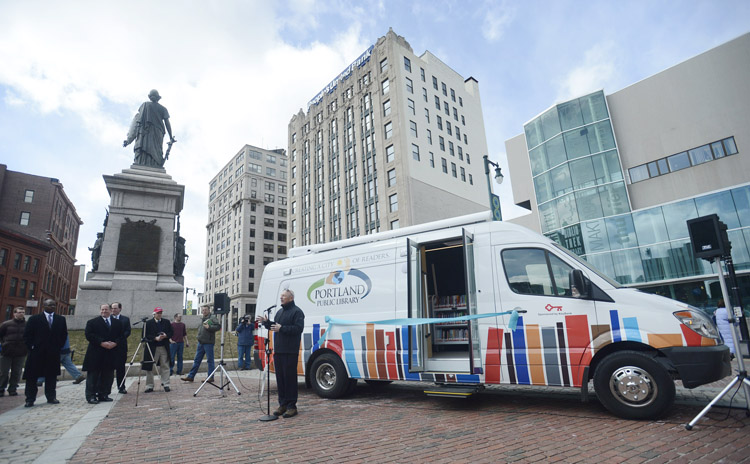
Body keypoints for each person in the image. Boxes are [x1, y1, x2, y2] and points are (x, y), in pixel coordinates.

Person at [256, 289, 304, 418]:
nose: (281, 298)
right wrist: (266, 323)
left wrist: (282, 328)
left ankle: (291, 406)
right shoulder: (279, 312)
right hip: (279, 350)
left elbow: (298, 329)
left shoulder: (297, 312)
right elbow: (275, 327)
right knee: (280, 378)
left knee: (289, 379)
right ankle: (282, 404)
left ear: (291, 298)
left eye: (284, 296)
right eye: (281, 296)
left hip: (290, 350)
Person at [23, 299, 68, 407]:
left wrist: (58, 346)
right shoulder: (34, 319)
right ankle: (30, 399)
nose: (51, 306)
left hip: (52, 353)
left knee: (51, 376)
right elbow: (27, 335)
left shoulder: (60, 319)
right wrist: (32, 347)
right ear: (44, 306)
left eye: (53, 305)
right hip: (36, 353)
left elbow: (64, 334)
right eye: (49, 305)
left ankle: (51, 397)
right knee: (32, 377)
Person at [82, 304, 123, 404]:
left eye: (106, 309)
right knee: (93, 376)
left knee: (108, 375)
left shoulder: (117, 323)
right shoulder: (92, 322)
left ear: (110, 310)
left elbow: (121, 335)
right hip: (96, 353)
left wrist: (115, 343)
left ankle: (104, 394)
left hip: (110, 353)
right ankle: (91, 396)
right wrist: (101, 342)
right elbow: (89, 335)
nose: (104, 311)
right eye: (102, 309)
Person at [123, 89, 174, 168]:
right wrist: (170, 137)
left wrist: (129, 139)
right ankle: (151, 165)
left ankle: (146, 164)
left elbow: (136, 123)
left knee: (147, 150)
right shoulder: (151, 106)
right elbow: (167, 123)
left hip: (148, 132)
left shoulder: (146, 105)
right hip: (153, 132)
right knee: (155, 152)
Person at [182, 305, 219, 383]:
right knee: (197, 360)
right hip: (201, 342)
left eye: (205, 310)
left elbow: (218, 326)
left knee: (210, 360)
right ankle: (191, 376)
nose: (204, 311)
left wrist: (209, 327)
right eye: (203, 310)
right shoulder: (202, 318)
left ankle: (210, 377)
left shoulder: (212, 318)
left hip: (208, 343)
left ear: (209, 310)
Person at [143, 307, 173, 392]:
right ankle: (149, 385)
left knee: (165, 366)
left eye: (160, 313)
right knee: (150, 367)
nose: (159, 314)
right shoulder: (148, 323)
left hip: (164, 346)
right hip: (153, 347)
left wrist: (166, 335)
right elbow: (145, 335)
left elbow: (171, 332)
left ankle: (166, 384)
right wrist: (155, 338)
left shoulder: (166, 322)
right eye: (158, 313)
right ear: (154, 314)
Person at [0, 307, 27, 397]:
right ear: (14, 314)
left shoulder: (27, 325)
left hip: (20, 352)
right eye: (19, 312)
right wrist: (4, 344)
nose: (21, 314)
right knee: (3, 372)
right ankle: (1, 388)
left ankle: (12, 389)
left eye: (23, 312)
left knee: (16, 372)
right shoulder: (6, 324)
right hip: (6, 352)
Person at [111, 302, 131, 393]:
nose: (113, 310)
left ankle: (121, 386)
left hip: (121, 347)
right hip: (109, 347)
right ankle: (106, 389)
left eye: (115, 308)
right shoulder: (108, 319)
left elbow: (127, 331)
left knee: (121, 369)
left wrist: (117, 341)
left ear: (120, 309)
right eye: (112, 308)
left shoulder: (125, 319)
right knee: (108, 369)